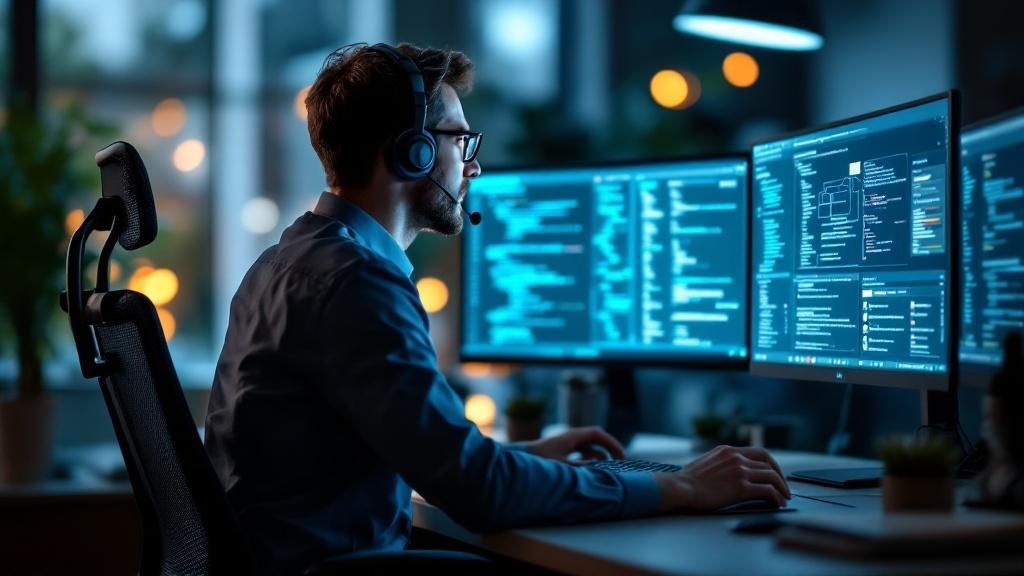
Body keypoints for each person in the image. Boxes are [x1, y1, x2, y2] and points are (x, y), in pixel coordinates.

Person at [204, 42, 790, 576]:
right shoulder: (357, 282)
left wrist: (519, 458)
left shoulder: (284, 263)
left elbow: (427, 457)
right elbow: (478, 491)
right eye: (460, 140)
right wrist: (682, 488)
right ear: (412, 152)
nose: (473, 165)